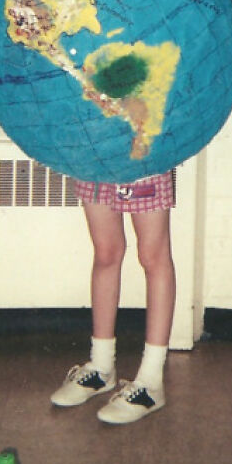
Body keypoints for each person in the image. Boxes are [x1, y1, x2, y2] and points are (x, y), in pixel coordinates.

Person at [50, 170, 176, 424]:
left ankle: (151, 383)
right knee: (106, 252)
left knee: (153, 256)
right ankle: (101, 367)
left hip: (142, 150)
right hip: (94, 153)